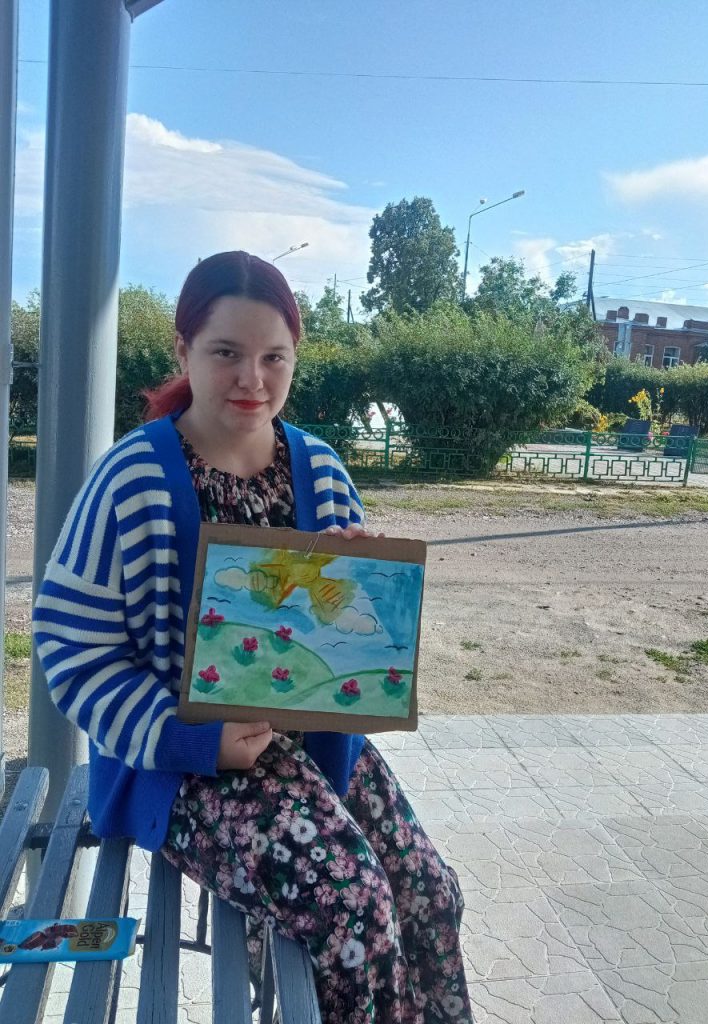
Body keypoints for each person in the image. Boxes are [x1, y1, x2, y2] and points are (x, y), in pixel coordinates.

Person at [32, 251, 473, 1024]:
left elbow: (344, 634)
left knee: (432, 894)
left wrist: (363, 587)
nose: (252, 380)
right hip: (184, 765)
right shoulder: (132, 481)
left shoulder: (322, 470)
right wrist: (191, 738)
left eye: (274, 357)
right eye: (226, 353)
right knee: (354, 908)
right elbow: (73, 649)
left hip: (312, 746)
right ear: (183, 350)